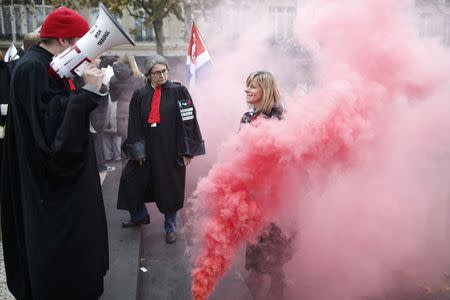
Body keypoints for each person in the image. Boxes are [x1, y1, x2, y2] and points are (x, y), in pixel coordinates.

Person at [0, 7, 109, 300]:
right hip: (50, 191)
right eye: (82, 40)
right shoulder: (32, 68)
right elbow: (51, 138)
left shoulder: (50, 64)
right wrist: (85, 92)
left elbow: (59, 110)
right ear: (63, 41)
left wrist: (89, 88)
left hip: (64, 188)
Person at [117, 54, 205, 244]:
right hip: (146, 149)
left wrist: (187, 150)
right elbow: (134, 124)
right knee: (131, 182)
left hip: (170, 149)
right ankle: (139, 215)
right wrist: (137, 150)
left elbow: (188, 120)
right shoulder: (139, 95)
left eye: (164, 71)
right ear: (149, 75)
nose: (162, 75)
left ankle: (170, 228)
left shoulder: (179, 91)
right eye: (157, 72)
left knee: (170, 189)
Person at [240, 71, 294, 299]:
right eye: (247, 86)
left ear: (266, 89)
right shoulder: (246, 117)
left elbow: (289, 153)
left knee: (273, 248)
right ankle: (255, 288)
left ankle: (277, 289)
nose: (247, 90)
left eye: (252, 86)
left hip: (274, 195)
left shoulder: (280, 117)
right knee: (254, 247)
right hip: (252, 193)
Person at [109, 54, 145, 165]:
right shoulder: (139, 76)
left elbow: (113, 97)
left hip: (122, 109)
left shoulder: (113, 78)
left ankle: (125, 169)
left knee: (125, 141)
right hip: (136, 109)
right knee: (138, 140)